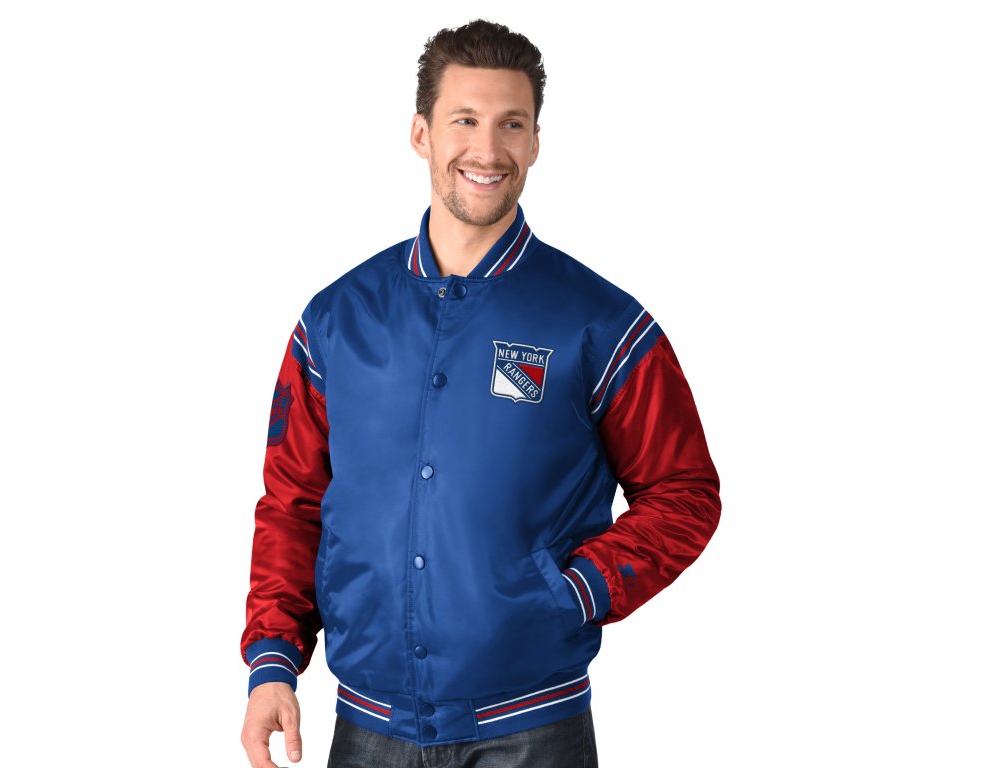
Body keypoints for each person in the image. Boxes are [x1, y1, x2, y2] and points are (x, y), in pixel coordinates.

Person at [240, 18, 721, 768]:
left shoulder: (599, 322)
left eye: (511, 124)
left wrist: (578, 590)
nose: (487, 150)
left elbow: (684, 492)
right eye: (464, 120)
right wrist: (273, 660)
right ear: (421, 134)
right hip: (368, 728)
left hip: (534, 729)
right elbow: (293, 500)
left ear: (535, 142)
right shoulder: (337, 320)